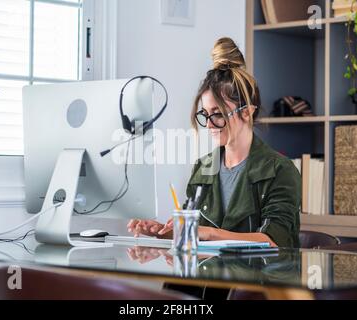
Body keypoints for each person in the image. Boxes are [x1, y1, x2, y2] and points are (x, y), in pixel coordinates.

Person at [127, 37, 301, 249]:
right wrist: (162, 232)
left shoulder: (281, 170)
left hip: (260, 281)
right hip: (211, 279)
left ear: (247, 112)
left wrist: (209, 233)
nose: (209, 124)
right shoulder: (204, 167)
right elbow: (193, 233)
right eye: (205, 114)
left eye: (217, 114)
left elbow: (273, 241)